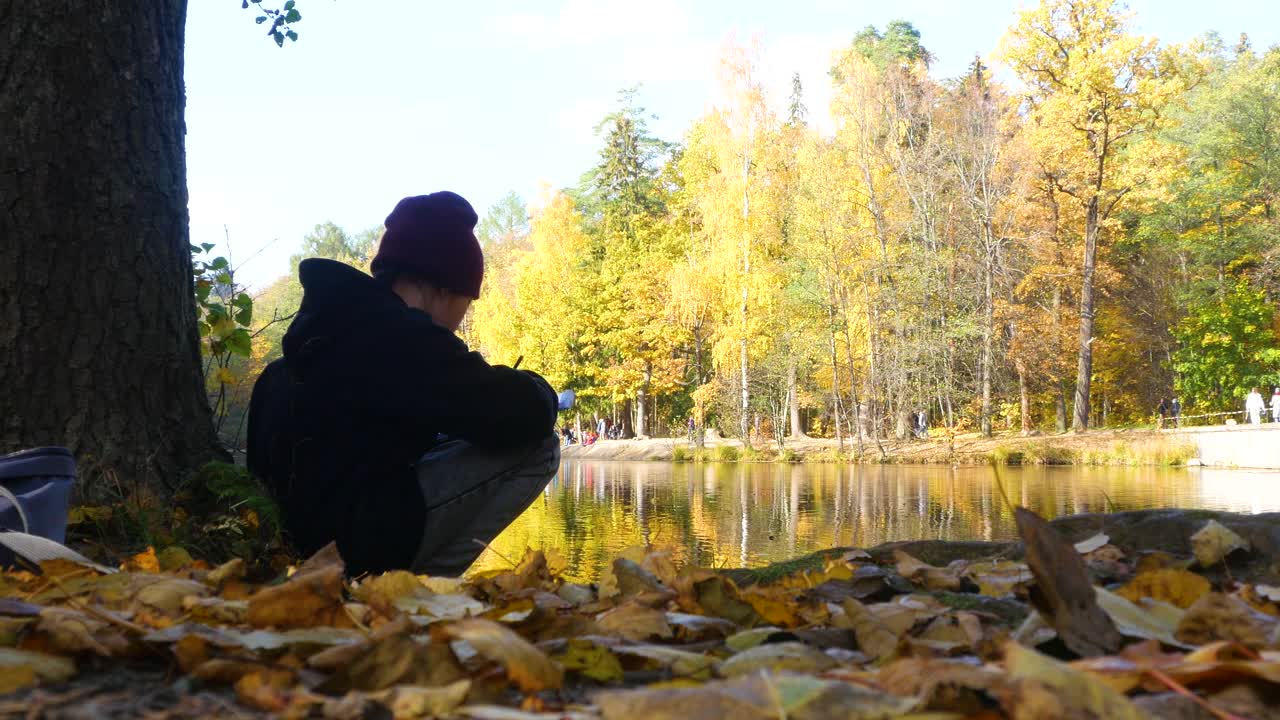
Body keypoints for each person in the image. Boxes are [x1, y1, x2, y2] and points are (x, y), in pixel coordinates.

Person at [247, 192, 563, 577]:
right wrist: (544, 392)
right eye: (468, 301)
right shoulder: (402, 338)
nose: (462, 318)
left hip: (302, 548)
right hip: (358, 549)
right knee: (539, 445)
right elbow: (519, 413)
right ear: (444, 289)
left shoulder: (306, 352)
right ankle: (426, 587)